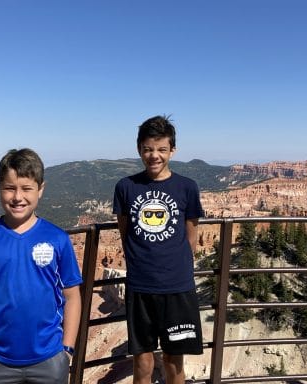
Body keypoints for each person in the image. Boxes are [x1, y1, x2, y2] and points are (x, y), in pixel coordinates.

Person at [0, 148, 83, 384]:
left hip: (50, 358)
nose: (17, 197)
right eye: (9, 188)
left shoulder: (57, 239)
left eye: (26, 188)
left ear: (40, 190)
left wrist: (67, 350)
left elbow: (72, 296)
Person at [113, 115, 205, 384]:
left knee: (174, 360)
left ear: (172, 150)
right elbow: (125, 232)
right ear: (139, 149)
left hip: (177, 286)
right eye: (148, 149)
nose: (154, 155)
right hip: (140, 286)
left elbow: (191, 235)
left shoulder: (187, 187)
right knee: (142, 361)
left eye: (162, 149)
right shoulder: (126, 187)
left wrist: (176, 268)